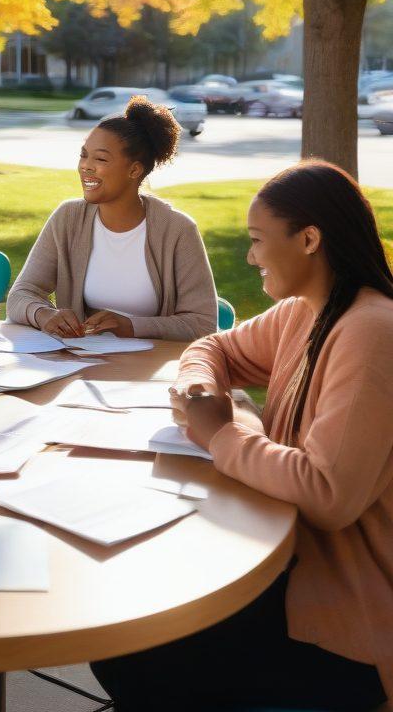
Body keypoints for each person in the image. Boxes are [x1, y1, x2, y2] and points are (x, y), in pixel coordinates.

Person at [91, 160, 392, 712]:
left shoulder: (370, 333)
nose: (250, 256)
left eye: (257, 240)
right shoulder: (306, 311)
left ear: (308, 239)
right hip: (284, 562)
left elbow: (327, 497)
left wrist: (222, 435)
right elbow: (213, 348)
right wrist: (205, 394)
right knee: (121, 634)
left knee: (133, 657)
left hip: (349, 616)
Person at [6, 95, 217, 340]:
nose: (86, 166)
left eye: (100, 159)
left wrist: (131, 326)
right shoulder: (68, 218)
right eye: (84, 155)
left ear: (134, 170)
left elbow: (202, 324)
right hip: (81, 363)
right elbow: (21, 294)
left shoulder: (177, 230)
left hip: (148, 371)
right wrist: (43, 314)